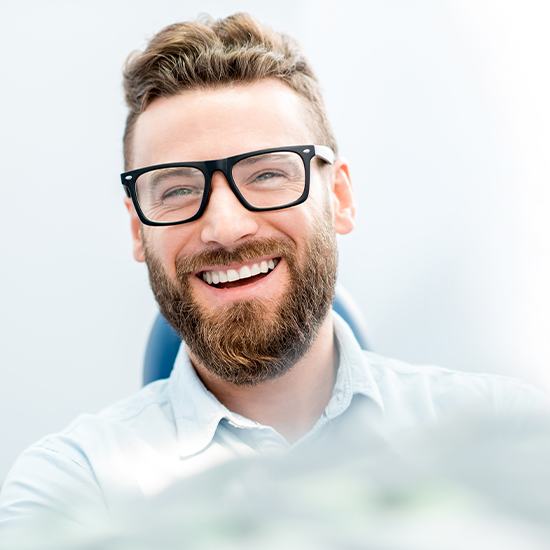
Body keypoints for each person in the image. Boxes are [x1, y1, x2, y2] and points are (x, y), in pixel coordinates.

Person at [0, 12, 547, 528]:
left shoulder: (508, 435)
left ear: (339, 196)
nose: (225, 226)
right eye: (178, 189)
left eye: (266, 174)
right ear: (138, 229)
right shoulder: (74, 489)